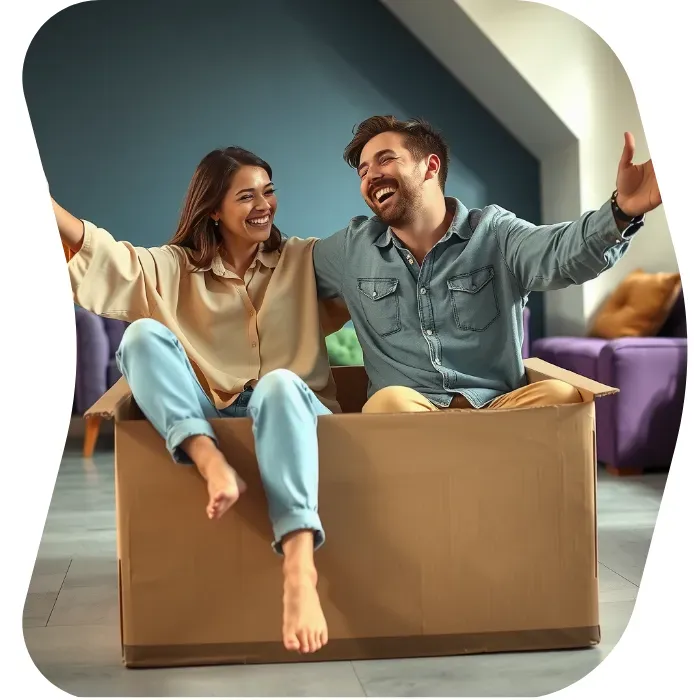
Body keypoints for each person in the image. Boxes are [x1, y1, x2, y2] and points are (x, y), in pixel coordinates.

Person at [53, 146, 348, 655]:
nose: (264, 205)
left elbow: (371, 268)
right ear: (213, 209)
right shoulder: (175, 269)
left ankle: (299, 570)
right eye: (246, 195)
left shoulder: (304, 259)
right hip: (211, 416)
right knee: (141, 337)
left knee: (277, 383)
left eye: (269, 191)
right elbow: (101, 253)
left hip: (298, 413)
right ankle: (211, 462)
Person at [312, 115, 662, 413]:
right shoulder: (351, 247)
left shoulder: (495, 232)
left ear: (430, 167)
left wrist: (621, 212)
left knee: (562, 396)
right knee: (388, 403)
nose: (370, 177)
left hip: (498, 410)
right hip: (410, 416)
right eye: (363, 171)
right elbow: (284, 269)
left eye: (386, 160)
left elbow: (559, 252)